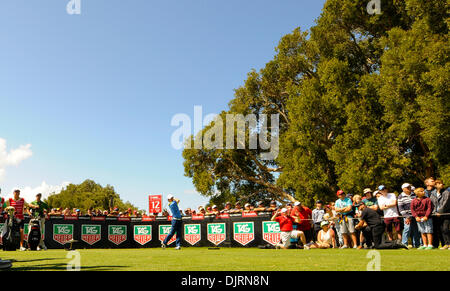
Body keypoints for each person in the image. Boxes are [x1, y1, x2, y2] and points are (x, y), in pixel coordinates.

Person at [398, 183, 421, 248]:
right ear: (403, 189)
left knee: (416, 230)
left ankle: (417, 245)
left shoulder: (414, 195)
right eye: (407, 188)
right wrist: (407, 217)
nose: (409, 189)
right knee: (407, 229)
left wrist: (416, 215)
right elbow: (401, 208)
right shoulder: (400, 196)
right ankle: (404, 244)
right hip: (406, 216)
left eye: (409, 187)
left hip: (415, 215)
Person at [430, 179, 450, 249]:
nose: (441, 184)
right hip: (435, 215)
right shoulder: (432, 193)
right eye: (439, 183)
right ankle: (441, 244)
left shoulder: (446, 192)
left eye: (442, 183)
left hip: (445, 214)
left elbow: (446, 203)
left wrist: (440, 212)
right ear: (435, 185)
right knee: (438, 230)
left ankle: (448, 243)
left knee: (445, 229)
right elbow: (431, 204)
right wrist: (435, 212)